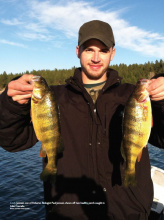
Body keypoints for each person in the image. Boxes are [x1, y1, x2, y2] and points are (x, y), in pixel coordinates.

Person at [0, 20, 164, 220]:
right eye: (89, 50)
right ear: (78, 51)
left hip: (128, 213)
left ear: (113, 53)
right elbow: (13, 141)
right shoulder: (53, 98)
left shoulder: (132, 95)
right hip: (68, 214)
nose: (96, 58)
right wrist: (12, 105)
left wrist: (162, 99)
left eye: (103, 50)